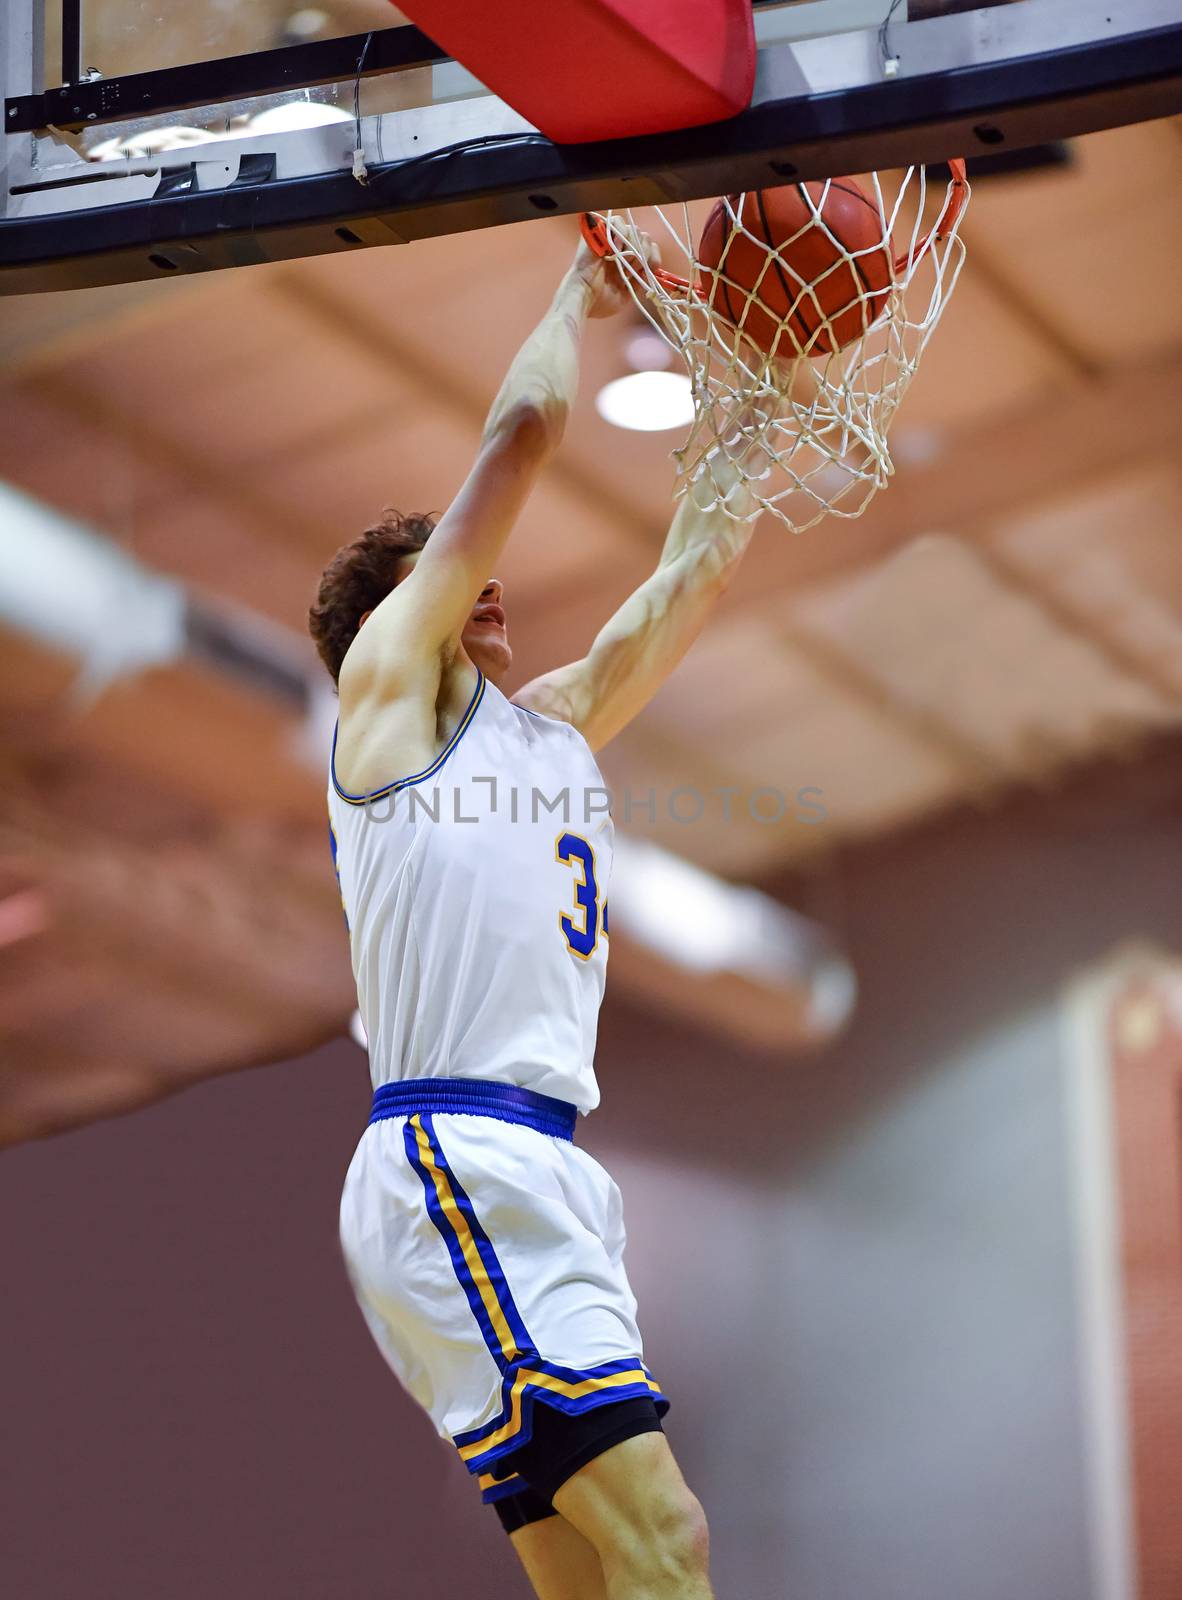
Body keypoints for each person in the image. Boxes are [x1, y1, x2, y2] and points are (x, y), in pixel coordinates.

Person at [308, 226, 757, 1600]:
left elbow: (682, 587)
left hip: (533, 1167)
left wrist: (765, 402)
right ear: (397, 622)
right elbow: (520, 428)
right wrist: (582, 289)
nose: (480, 578)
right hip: (458, 1154)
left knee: (595, 1579)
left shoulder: (546, 728)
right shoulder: (388, 708)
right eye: (437, 574)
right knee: (666, 1546)